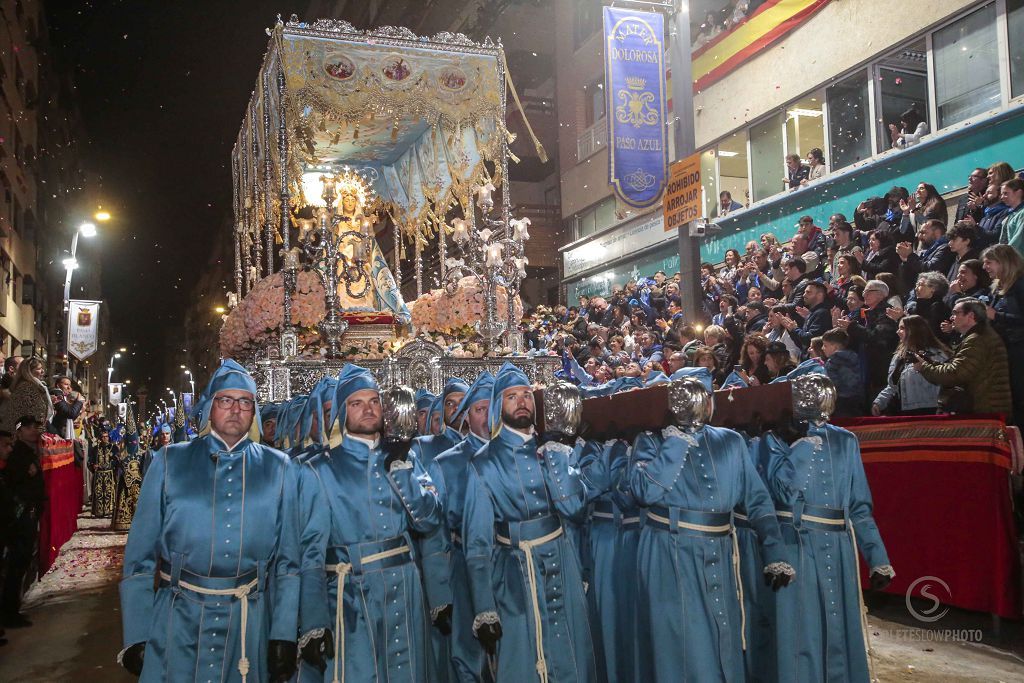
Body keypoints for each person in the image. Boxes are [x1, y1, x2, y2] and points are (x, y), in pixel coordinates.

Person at [119, 359, 302, 682]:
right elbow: (139, 557)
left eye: (245, 402)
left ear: (255, 411)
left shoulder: (279, 467)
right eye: (226, 400)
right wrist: (137, 633)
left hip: (249, 624)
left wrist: (283, 633)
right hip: (178, 620)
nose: (236, 409)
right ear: (209, 407)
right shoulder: (170, 461)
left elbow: (288, 562)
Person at [628, 370, 792, 682]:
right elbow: (644, 492)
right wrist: (676, 443)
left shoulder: (730, 441)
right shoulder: (651, 442)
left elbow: (757, 500)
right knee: (678, 644)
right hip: (669, 553)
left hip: (721, 552)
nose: (695, 404)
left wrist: (774, 552)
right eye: (686, 396)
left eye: (703, 396)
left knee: (724, 637)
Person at [296, 365, 445, 683]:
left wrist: (401, 466)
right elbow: (310, 554)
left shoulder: (406, 457)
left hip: (404, 589)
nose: (368, 409)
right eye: (356, 403)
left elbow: (429, 520)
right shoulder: (320, 469)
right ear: (341, 413)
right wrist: (313, 620)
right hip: (352, 595)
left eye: (374, 401)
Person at [463, 362, 596, 682]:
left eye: (526, 395)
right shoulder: (484, 462)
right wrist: (484, 607)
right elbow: (477, 543)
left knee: (571, 653)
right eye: (512, 396)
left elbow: (577, 509)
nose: (522, 401)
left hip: (561, 564)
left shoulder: (554, 448)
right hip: (513, 575)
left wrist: (558, 456)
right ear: (499, 405)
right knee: (524, 660)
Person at [765, 371, 892, 683]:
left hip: (837, 548)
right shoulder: (777, 438)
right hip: (796, 545)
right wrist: (803, 445)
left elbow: (859, 505)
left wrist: (877, 558)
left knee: (837, 628)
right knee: (801, 631)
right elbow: (781, 492)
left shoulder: (846, 440)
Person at [427, 372, 494, 682]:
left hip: (512, 564)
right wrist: (441, 594)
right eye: (479, 409)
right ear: (467, 416)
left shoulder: (521, 453)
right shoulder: (446, 462)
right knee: (470, 655)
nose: (488, 415)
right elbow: (435, 533)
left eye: (493, 406)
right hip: (465, 569)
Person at [916, 297, 1012, 416]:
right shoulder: (979, 336)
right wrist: (931, 364)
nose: (952, 317)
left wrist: (924, 367)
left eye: (956, 313)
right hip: (986, 410)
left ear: (971, 316)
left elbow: (956, 373)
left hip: (984, 414)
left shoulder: (977, 340)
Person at [2, 416, 45, 628]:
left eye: (34, 427)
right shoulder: (19, 453)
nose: (33, 430)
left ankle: (12, 609)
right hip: (21, 516)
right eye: (28, 428)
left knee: (21, 563)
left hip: (29, 512)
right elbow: (15, 483)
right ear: (19, 432)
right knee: (16, 564)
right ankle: (9, 612)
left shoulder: (30, 451)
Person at [873, 315, 951, 416]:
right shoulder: (899, 356)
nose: (897, 332)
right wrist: (879, 402)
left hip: (931, 411)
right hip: (905, 411)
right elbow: (892, 385)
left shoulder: (937, 355)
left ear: (914, 331)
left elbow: (945, 381)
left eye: (902, 328)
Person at [837, 280, 899, 404]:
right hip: (867, 366)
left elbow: (876, 336)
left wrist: (851, 327)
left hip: (881, 369)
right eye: (864, 291)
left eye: (868, 291)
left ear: (881, 295)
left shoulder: (887, 313)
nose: (864, 294)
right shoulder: (869, 312)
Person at [982, 244, 1024, 423]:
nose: (985, 267)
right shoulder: (998, 288)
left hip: (1018, 353)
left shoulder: (1020, 285)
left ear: (1004, 263)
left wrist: (996, 315)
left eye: (989, 262)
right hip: (1003, 352)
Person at [111, 407, 143, 532]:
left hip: (139, 485)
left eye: (135, 441)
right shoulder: (121, 454)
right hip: (125, 485)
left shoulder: (144, 452)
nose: (133, 443)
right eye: (131, 441)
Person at [0, 358, 51, 434]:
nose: (42, 371)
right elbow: (35, 412)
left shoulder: (30, 385)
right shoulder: (28, 386)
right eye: (39, 368)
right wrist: (39, 431)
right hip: (26, 433)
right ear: (29, 371)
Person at [821, 328, 864, 416]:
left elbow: (831, 385)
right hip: (857, 400)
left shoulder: (832, 362)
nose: (822, 348)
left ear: (835, 347)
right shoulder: (855, 358)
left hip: (839, 404)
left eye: (825, 345)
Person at [905, 272, 951, 340]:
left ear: (933, 289)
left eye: (921, 285)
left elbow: (923, 329)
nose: (916, 288)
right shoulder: (920, 304)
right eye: (917, 285)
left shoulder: (938, 307)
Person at [88, 427, 117, 517]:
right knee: (99, 492)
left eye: (106, 436)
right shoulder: (95, 449)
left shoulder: (114, 448)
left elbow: (117, 460)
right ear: (100, 438)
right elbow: (90, 461)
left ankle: (109, 510)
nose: (105, 438)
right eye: (103, 437)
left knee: (109, 492)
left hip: (109, 474)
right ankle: (99, 511)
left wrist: (112, 465)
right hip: (99, 475)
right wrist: (93, 466)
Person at [997, 178, 1024, 252]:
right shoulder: (1010, 215)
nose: (1002, 197)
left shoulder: (1022, 213)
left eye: (1005, 193)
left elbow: (1018, 238)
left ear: (1019, 193)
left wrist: (1005, 255)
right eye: (1001, 194)